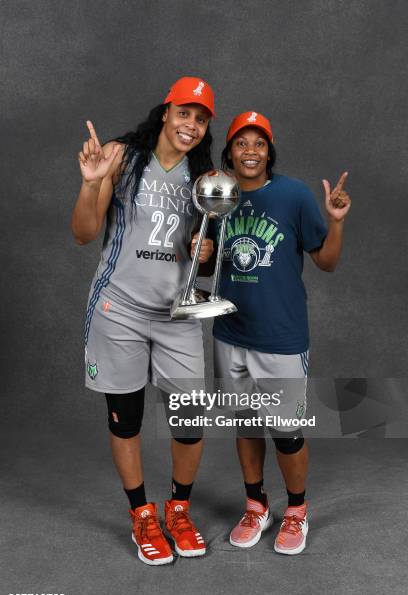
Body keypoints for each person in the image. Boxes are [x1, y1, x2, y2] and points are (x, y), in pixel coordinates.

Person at [71, 76, 215, 565]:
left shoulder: (205, 178)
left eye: (200, 118)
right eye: (184, 113)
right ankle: (142, 515)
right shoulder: (123, 157)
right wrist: (92, 185)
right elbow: (83, 232)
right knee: (127, 419)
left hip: (177, 315)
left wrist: (207, 251)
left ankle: (178, 508)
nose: (190, 125)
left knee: (190, 420)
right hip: (120, 309)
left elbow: (206, 256)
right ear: (165, 112)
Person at [213, 111, 351, 555]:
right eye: (241, 143)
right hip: (230, 330)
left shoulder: (292, 195)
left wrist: (336, 221)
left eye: (259, 143)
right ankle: (256, 505)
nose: (250, 151)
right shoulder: (218, 195)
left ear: (269, 151)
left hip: (281, 336)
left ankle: (296, 510)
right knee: (246, 425)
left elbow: (326, 262)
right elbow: (204, 258)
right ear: (229, 151)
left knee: (287, 430)